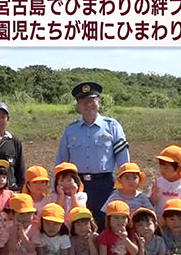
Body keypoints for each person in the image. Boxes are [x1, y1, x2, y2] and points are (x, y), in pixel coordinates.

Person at [55, 82, 130, 230]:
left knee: (104, 225)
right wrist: (58, 187)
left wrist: (125, 187)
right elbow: (61, 161)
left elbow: (124, 162)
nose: (88, 105)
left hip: (104, 185)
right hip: (76, 186)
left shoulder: (112, 126)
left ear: (99, 103)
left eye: (92, 100)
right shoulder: (71, 130)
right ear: (78, 105)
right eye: (83, 102)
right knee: (77, 224)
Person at [150, 145, 181, 227]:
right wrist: (154, 195)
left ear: (178, 168)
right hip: (160, 223)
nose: (162, 170)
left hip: (178, 224)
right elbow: (151, 204)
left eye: (167, 168)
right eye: (161, 167)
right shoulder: (157, 183)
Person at [48, 162, 88, 227]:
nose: (66, 184)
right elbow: (56, 211)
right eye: (61, 181)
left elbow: (78, 210)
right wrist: (61, 196)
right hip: (60, 227)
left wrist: (73, 194)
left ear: (76, 181)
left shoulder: (81, 195)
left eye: (69, 180)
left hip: (76, 227)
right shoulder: (54, 196)